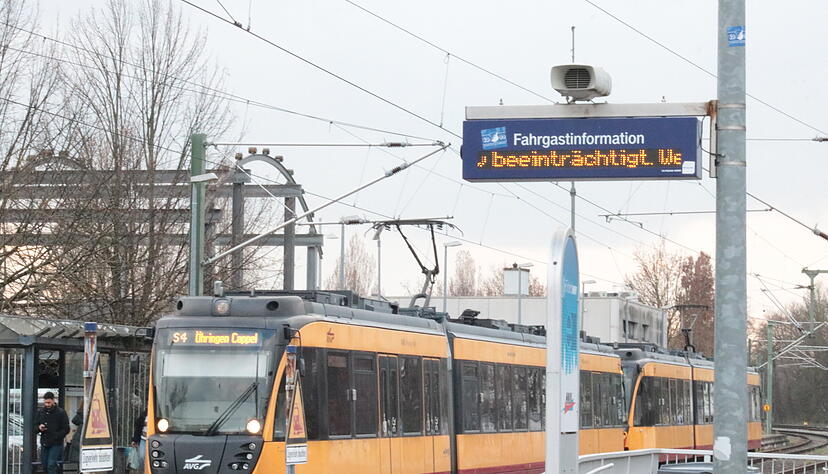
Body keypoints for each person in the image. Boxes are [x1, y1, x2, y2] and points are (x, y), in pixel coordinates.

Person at [35, 392, 70, 474]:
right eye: (45, 402)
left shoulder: (61, 413)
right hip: (45, 442)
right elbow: (35, 426)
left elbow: (66, 429)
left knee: (51, 465)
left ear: (53, 401)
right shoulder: (41, 412)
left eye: (49, 402)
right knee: (45, 465)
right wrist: (39, 428)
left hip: (56, 443)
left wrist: (57, 436)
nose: (47, 404)